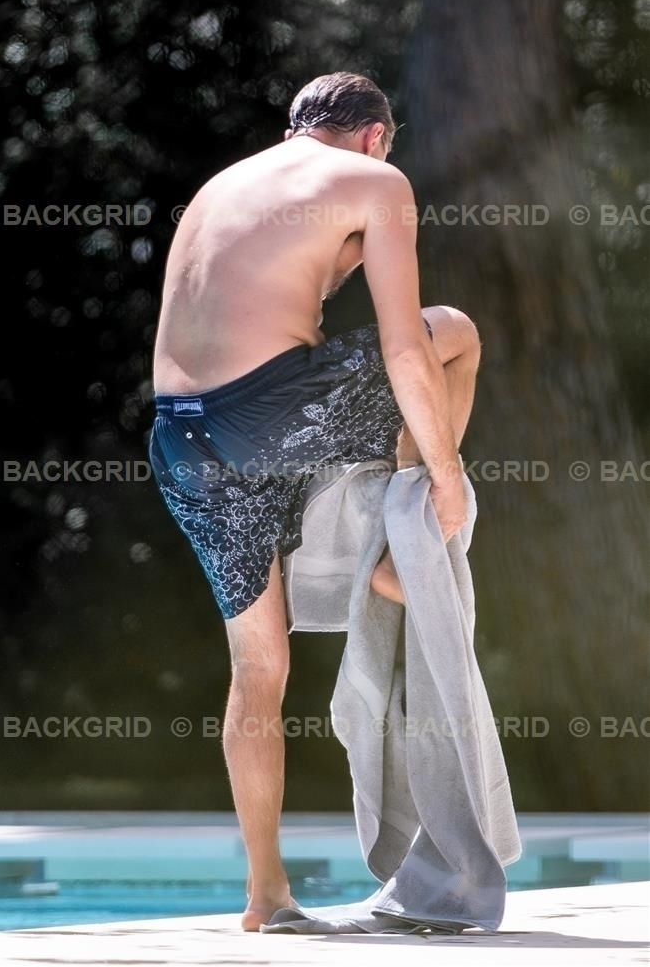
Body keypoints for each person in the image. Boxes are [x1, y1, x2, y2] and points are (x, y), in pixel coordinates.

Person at [148, 71, 481, 930]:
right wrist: (446, 476)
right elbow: (404, 347)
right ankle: (400, 543)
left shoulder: (224, 186)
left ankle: (266, 894)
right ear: (375, 136)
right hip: (265, 413)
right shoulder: (375, 178)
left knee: (258, 669)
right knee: (452, 332)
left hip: (180, 441)